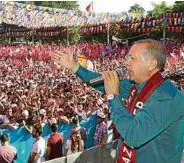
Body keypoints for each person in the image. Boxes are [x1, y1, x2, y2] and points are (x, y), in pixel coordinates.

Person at [52, 39, 184, 163]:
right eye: (127, 57)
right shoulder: (137, 85)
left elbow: (134, 136)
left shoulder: (168, 96)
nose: (126, 62)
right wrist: (75, 67)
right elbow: (103, 83)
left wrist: (113, 96)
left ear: (152, 64)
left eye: (132, 58)